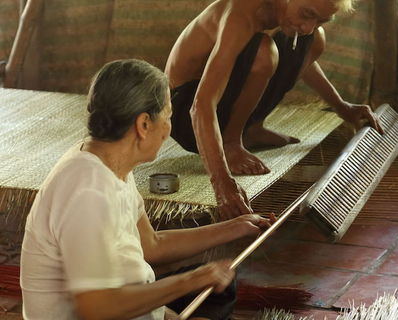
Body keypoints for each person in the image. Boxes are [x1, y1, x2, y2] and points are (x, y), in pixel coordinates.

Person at [20, 59, 272, 320]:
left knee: (220, 285)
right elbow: (96, 309)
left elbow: (150, 244)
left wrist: (237, 227)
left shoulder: (109, 162)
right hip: (101, 310)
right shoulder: (88, 191)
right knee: (205, 283)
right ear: (143, 125)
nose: (168, 129)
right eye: (168, 116)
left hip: (119, 301)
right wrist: (189, 281)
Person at [165, 0, 384, 220]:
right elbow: (201, 106)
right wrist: (221, 182)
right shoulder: (240, 15)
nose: (309, 26)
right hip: (185, 115)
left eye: (321, 20)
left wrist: (341, 106)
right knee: (264, 51)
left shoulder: (294, 21)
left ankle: (252, 128)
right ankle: (232, 141)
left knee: (312, 40)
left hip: (216, 107)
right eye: (307, 14)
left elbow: (302, 64)